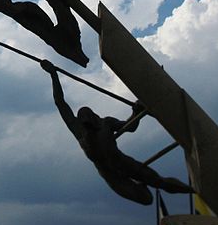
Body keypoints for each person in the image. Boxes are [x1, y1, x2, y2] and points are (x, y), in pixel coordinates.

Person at [42, 59, 193, 205]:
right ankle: (141, 185)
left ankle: (195, 191)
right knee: (146, 199)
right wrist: (53, 74)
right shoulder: (79, 130)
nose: (88, 125)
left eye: (89, 120)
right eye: (85, 122)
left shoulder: (106, 123)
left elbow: (130, 127)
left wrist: (136, 113)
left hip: (125, 163)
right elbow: (60, 102)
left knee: (161, 182)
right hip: (112, 177)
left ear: (95, 117)